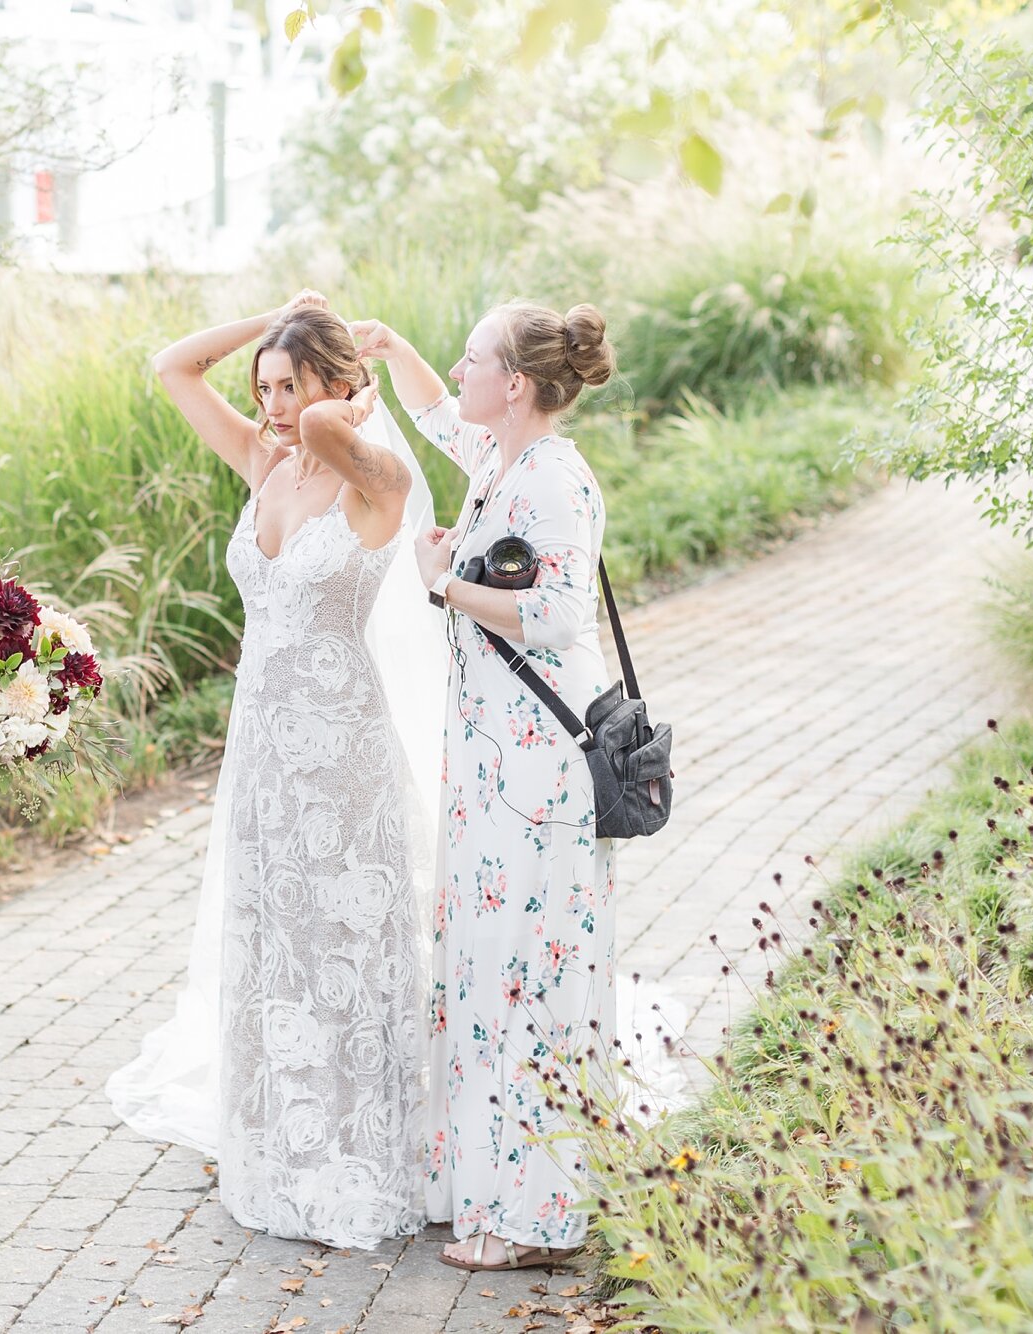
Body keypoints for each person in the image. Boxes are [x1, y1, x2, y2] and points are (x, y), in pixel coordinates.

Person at [105, 292, 445, 1249]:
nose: (273, 406)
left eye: (289, 386)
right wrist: (272, 319)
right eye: (262, 388)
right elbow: (173, 365)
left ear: (341, 386)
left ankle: (361, 1141)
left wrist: (336, 391)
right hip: (263, 746)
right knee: (275, 939)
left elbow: (339, 427)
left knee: (347, 940)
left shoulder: (371, 476)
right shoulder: (264, 462)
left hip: (344, 750)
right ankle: (282, 1139)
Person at [354, 300, 620, 1271]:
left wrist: (442, 585)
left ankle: (532, 1214)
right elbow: (440, 418)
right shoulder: (503, 460)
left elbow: (552, 613)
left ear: (513, 383)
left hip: (537, 774)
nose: (458, 375)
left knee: (525, 981)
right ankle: (483, 1181)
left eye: (471, 361)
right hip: (490, 765)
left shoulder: (553, 479)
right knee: (482, 969)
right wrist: (394, 352)